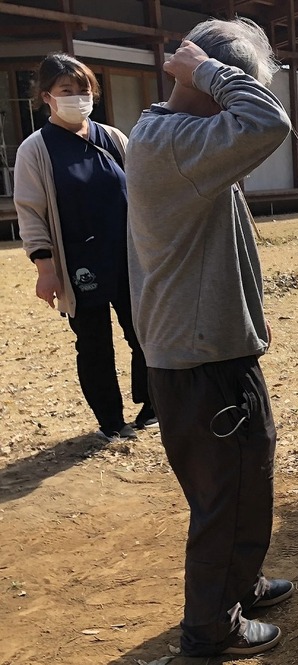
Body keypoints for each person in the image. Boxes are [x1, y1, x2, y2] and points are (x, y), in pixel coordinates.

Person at [125, 18, 293, 657]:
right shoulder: (173, 143)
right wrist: (212, 73)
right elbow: (270, 122)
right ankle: (209, 629)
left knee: (249, 474)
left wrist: (249, 310)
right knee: (226, 493)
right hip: (201, 357)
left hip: (214, 345)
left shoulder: (176, 136)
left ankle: (239, 586)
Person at [14, 53, 155, 442]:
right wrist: (45, 268)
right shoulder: (36, 149)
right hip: (79, 264)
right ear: (47, 97)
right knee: (93, 345)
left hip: (128, 256)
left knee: (144, 333)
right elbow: (31, 212)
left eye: (83, 89)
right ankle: (111, 421)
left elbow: (140, 191)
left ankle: (152, 405)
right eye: (66, 90)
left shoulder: (112, 138)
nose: (78, 97)